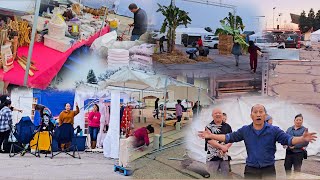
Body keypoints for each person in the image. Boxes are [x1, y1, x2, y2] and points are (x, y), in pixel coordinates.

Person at [198, 104, 317, 179]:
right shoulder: (245, 130)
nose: (258, 114)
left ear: (265, 115)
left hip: (268, 169)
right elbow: (228, 137)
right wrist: (211, 135)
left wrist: (302, 138)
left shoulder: (274, 130)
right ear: (251, 116)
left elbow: (289, 139)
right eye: (255, 112)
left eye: (261, 112)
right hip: (251, 170)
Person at [205, 108, 232, 178]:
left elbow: (231, 139)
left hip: (224, 156)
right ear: (212, 115)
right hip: (212, 157)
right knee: (212, 176)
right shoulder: (208, 127)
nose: (218, 114)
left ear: (222, 115)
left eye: (219, 113)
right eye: (215, 113)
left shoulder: (228, 126)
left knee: (225, 176)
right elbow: (209, 140)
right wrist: (222, 147)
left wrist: (226, 147)